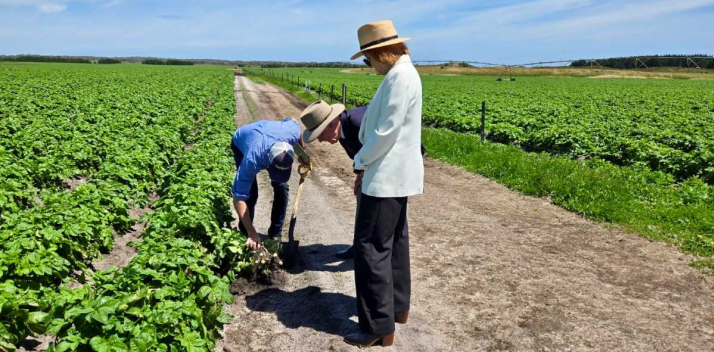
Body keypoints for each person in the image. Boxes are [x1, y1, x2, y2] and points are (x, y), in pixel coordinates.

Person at [344, 20, 424, 347]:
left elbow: (386, 132)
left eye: (368, 59)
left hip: (385, 178)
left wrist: (360, 161)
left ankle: (378, 326)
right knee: (394, 243)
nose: (369, 65)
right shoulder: (402, 74)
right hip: (397, 178)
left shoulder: (400, 77)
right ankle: (398, 308)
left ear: (383, 53)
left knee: (371, 249)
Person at [301, 101, 426, 261]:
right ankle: (361, 247)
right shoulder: (342, 130)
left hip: (397, 162)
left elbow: (382, 149)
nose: (320, 141)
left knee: (384, 211)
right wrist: (359, 174)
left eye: (319, 135)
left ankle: (380, 252)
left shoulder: (357, 123)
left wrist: (365, 175)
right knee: (362, 196)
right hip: (379, 165)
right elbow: (360, 153)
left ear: (331, 124)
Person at [230, 118, 303, 250]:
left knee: (282, 187)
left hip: (271, 135)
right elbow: (238, 198)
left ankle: (275, 235)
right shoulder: (252, 159)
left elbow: (294, 122)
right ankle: (246, 233)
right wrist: (252, 233)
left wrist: (302, 153)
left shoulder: (292, 134)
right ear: (269, 157)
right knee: (250, 194)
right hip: (242, 142)